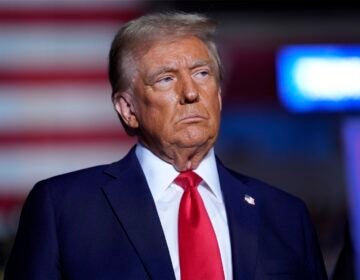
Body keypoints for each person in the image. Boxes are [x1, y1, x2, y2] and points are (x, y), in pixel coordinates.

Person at [5, 12, 327, 280]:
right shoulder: (64, 210)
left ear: (218, 95)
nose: (190, 93)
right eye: (166, 79)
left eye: (202, 73)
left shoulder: (285, 215)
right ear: (128, 109)